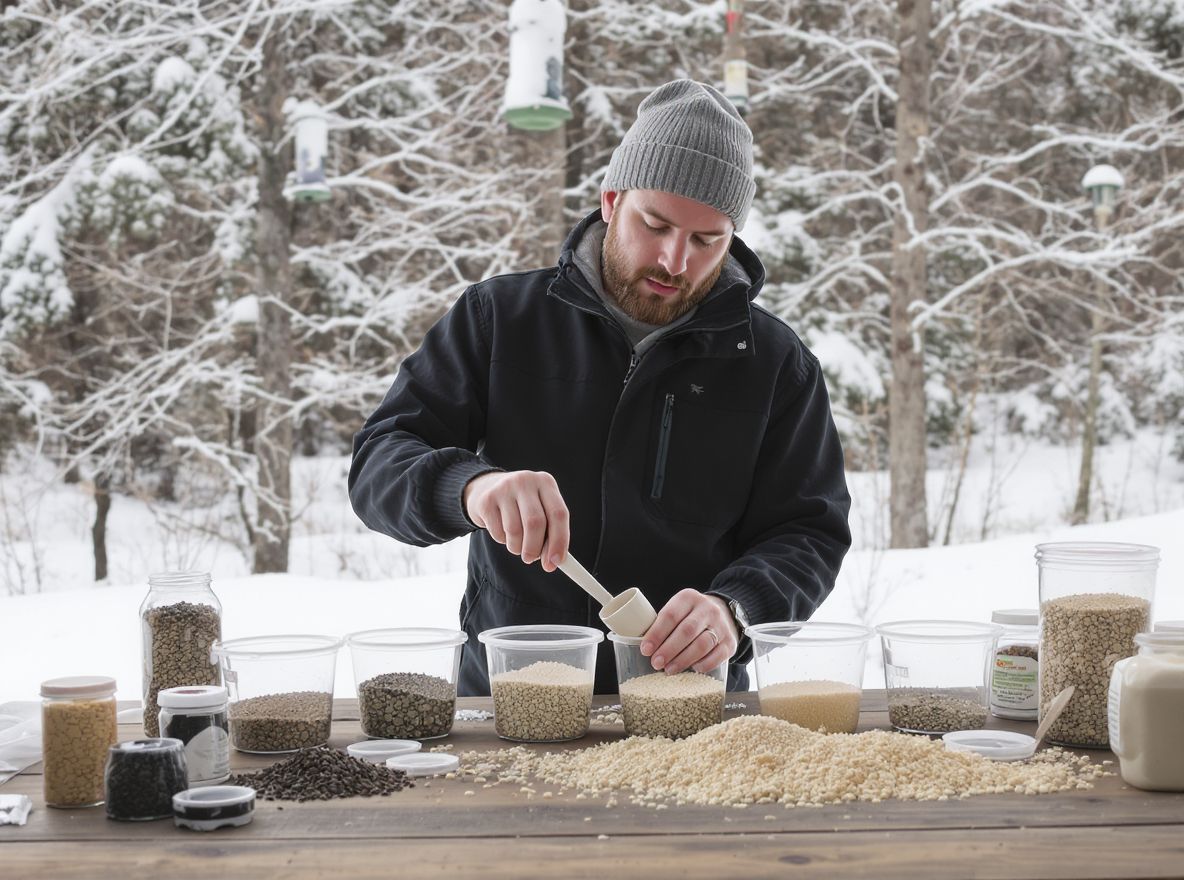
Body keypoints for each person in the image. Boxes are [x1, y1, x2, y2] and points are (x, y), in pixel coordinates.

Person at [349, 79, 852, 696]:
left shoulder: (776, 364)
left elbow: (808, 530)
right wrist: (472, 488)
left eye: (705, 240)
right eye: (656, 224)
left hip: (691, 712)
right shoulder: (500, 319)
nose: (674, 260)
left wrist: (736, 609)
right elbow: (380, 462)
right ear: (612, 200)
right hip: (512, 701)